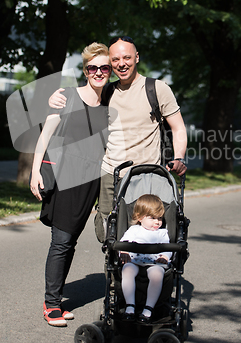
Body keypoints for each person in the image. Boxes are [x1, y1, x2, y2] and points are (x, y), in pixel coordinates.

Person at [48, 36, 187, 238]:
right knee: (106, 233)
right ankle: (116, 267)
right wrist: (54, 98)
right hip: (109, 174)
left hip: (145, 175)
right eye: (115, 60)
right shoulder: (106, 91)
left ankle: (140, 268)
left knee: (145, 232)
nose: (121, 64)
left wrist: (179, 157)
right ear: (110, 63)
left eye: (127, 57)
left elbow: (179, 128)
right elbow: (81, 98)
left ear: (137, 57)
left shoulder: (157, 89)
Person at [30, 42, 111, 327]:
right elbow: (45, 136)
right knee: (61, 241)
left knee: (71, 240)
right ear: (86, 70)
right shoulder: (67, 97)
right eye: (93, 67)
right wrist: (34, 170)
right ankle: (51, 304)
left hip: (91, 181)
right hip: (66, 177)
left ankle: (55, 299)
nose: (98, 72)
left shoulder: (111, 102)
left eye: (104, 67)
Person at [119, 194, 172, 324]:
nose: (157, 222)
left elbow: (168, 247)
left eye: (159, 218)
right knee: (127, 270)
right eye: (153, 218)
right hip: (134, 260)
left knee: (157, 275)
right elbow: (123, 242)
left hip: (154, 262)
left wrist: (165, 256)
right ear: (140, 217)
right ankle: (130, 306)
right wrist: (124, 251)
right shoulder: (134, 230)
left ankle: (148, 308)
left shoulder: (162, 233)